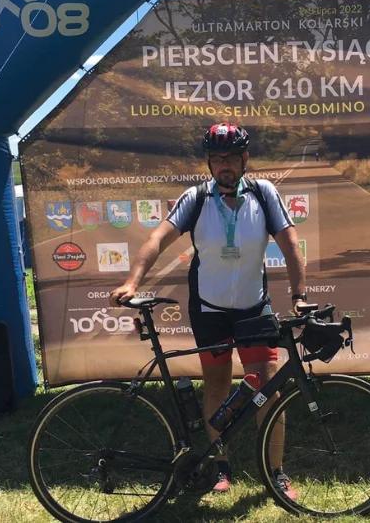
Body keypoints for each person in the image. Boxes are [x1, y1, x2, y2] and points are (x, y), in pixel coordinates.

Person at [108, 122, 306, 498]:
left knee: (269, 389)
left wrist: (299, 295)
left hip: (253, 308)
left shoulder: (264, 194)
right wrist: (133, 281)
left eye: (232, 157)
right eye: (217, 159)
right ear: (210, 164)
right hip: (210, 310)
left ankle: (275, 471)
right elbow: (156, 239)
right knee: (216, 385)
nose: (225, 165)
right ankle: (220, 466)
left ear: (245, 159)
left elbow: (291, 244)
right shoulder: (196, 198)